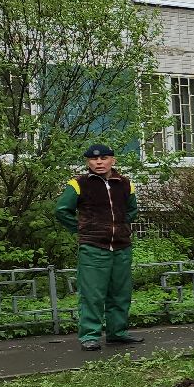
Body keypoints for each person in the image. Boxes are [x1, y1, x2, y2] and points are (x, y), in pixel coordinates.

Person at [53, 144, 142, 352]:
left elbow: (132, 210)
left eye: (104, 158)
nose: (99, 162)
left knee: (120, 293)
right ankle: (90, 336)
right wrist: (83, 229)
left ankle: (117, 333)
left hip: (121, 247)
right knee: (92, 294)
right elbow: (61, 210)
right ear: (88, 162)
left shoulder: (125, 184)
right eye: (94, 159)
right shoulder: (78, 184)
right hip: (93, 248)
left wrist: (121, 225)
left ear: (113, 160)